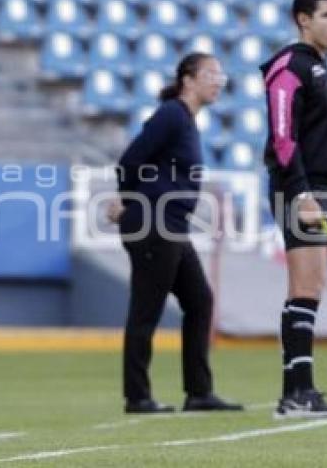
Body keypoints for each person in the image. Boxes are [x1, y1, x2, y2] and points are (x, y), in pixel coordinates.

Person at [108, 53, 243, 414]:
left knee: (200, 301)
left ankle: (199, 393)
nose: (218, 81)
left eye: (221, 75)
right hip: (155, 223)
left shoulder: (185, 120)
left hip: (172, 226)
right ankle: (137, 397)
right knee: (146, 310)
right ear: (188, 79)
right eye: (211, 74)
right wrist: (130, 201)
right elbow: (130, 160)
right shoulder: (171, 114)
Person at [260, 0, 327, 420]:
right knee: (305, 286)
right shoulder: (289, 65)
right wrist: (302, 194)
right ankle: (297, 395)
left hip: (324, 189)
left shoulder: (319, 67)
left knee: (310, 289)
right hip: (302, 188)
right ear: (303, 19)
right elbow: (282, 136)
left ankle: (297, 392)